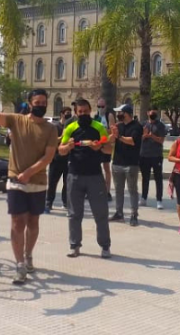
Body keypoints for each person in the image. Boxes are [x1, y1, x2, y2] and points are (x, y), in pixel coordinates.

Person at [0, 78, 57, 285]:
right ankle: (19, 264)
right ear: (29, 103)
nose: (40, 106)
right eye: (37, 102)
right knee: (17, 222)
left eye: (43, 103)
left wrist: (30, 172)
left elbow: (48, 157)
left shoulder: (51, 129)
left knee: (33, 222)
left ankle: (28, 253)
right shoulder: (16, 120)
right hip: (15, 181)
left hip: (38, 182)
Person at [58, 99, 113, 258]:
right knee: (74, 214)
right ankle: (74, 245)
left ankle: (105, 246)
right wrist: (67, 146)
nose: (83, 114)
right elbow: (60, 150)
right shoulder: (70, 128)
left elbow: (109, 148)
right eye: (80, 112)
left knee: (100, 213)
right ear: (76, 113)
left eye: (85, 111)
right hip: (74, 175)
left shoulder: (99, 127)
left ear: (90, 111)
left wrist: (100, 146)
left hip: (95, 176)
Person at [110, 104, 142, 226]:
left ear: (127, 114)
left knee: (132, 190)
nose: (119, 115)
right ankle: (119, 213)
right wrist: (113, 135)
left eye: (121, 113)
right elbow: (113, 139)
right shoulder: (119, 126)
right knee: (118, 190)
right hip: (117, 162)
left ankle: (134, 214)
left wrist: (119, 136)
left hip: (131, 164)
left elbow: (132, 141)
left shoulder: (137, 126)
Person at [139, 107, 167, 210]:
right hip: (144, 155)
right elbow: (138, 138)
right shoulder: (143, 124)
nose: (153, 114)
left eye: (155, 113)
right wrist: (144, 135)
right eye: (151, 113)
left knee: (158, 178)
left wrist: (152, 136)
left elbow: (161, 141)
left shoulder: (160, 126)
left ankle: (159, 200)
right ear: (147, 113)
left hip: (156, 156)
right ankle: (143, 198)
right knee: (145, 178)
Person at [46, 107, 72, 213]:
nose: (68, 116)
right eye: (66, 114)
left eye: (70, 114)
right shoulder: (55, 126)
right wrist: (63, 136)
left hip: (68, 159)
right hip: (56, 159)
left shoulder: (71, 126)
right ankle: (49, 202)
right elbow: (52, 141)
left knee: (67, 183)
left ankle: (65, 202)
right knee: (52, 182)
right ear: (61, 114)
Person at [95, 98, 113, 201]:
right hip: (98, 145)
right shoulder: (96, 117)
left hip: (106, 145)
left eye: (102, 106)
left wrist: (103, 129)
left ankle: (107, 191)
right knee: (96, 168)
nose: (100, 108)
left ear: (105, 106)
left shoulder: (108, 116)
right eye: (99, 106)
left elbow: (112, 129)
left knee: (106, 168)